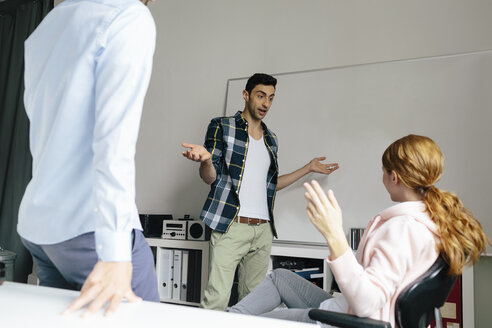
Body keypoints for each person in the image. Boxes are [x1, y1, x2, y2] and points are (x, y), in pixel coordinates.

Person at [229, 134, 490, 327]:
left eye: (384, 171)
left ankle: (223, 321)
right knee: (279, 277)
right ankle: (223, 319)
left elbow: (367, 303)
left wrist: (334, 236)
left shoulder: (403, 229)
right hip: (344, 306)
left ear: (394, 177)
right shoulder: (432, 219)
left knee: (252, 322)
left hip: (344, 320)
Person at [18, 0, 159, 317]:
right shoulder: (130, 17)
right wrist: (114, 253)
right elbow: (115, 142)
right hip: (89, 229)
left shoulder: (51, 23)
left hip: (40, 227)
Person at [181, 73, 339, 311]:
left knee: (254, 305)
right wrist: (204, 161)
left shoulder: (271, 139)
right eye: (261, 95)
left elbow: (271, 185)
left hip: (263, 229)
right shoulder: (222, 126)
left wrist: (308, 168)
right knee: (216, 300)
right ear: (246, 95)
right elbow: (210, 177)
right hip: (230, 225)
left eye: (271, 98)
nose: (266, 103)